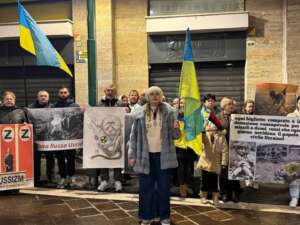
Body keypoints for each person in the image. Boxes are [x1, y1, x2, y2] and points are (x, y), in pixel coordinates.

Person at [129, 86, 180, 225]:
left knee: (163, 188)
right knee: (146, 188)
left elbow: (176, 137)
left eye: (157, 94)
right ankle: (146, 216)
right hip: (144, 156)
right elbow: (133, 137)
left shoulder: (170, 112)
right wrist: (132, 155)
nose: (155, 96)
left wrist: (177, 128)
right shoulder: (139, 114)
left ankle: (164, 217)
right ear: (147, 96)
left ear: (161, 96)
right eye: (152, 94)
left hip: (163, 156)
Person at [95, 84, 123, 192]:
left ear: (114, 91)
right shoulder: (99, 103)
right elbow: (95, 115)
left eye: (112, 90)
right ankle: (104, 180)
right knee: (103, 154)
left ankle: (117, 180)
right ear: (104, 91)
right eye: (108, 90)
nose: (109, 92)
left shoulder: (120, 103)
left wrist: (126, 110)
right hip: (104, 135)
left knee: (117, 154)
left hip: (117, 134)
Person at [53, 86, 80, 189]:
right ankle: (63, 176)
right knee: (60, 158)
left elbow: (79, 120)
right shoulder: (54, 106)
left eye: (65, 92)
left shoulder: (74, 105)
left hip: (71, 137)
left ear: (68, 93)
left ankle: (71, 176)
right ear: (58, 94)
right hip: (59, 138)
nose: (63, 94)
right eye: (61, 92)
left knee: (71, 158)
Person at [197, 123, 228, 205]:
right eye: (211, 125)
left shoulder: (221, 137)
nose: (213, 127)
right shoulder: (206, 135)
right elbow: (200, 139)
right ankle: (203, 196)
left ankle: (215, 197)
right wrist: (203, 130)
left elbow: (225, 151)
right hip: (206, 162)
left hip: (216, 163)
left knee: (215, 183)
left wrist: (224, 162)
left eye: (215, 125)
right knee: (205, 181)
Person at [29, 90, 55, 186]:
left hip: (49, 138)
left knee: (50, 158)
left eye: (45, 96)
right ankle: (36, 179)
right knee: (36, 159)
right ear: (37, 97)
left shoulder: (53, 108)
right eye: (41, 96)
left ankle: (51, 178)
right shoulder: (31, 108)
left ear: (48, 98)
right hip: (36, 139)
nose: (43, 97)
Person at [218, 97, 241, 203]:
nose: (232, 106)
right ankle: (224, 193)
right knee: (223, 172)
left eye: (232, 104)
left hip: (236, 147)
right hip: (223, 148)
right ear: (224, 106)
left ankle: (235, 193)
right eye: (229, 104)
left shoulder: (239, 116)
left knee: (236, 171)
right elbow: (212, 130)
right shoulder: (217, 117)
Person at [174, 98, 194, 198]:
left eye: (184, 103)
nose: (182, 104)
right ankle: (181, 187)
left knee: (188, 166)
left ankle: (186, 186)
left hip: (189, 144)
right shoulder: (175, 114)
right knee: (181, 166)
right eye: (181, 103)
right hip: (179, 144)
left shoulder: (191, 115)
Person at [287, 96, 300, 207]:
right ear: (297, 104)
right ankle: (294, 197)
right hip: (294, 149)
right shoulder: (290, 116)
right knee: (294, 174)